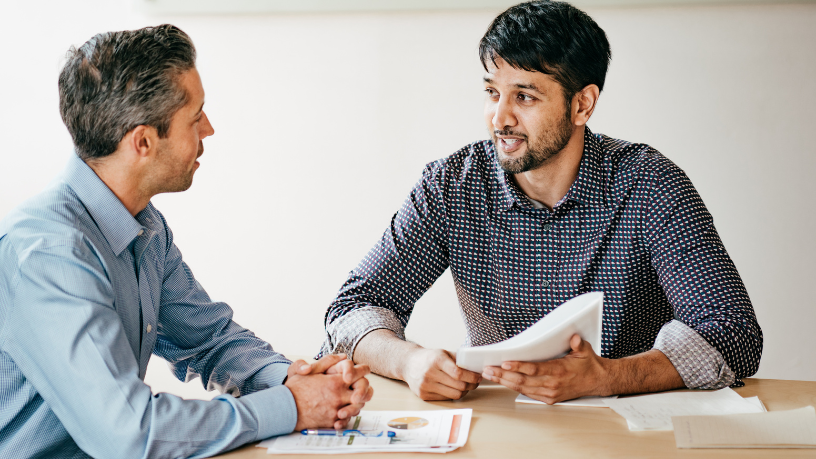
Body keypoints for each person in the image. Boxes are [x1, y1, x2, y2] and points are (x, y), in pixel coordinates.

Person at [320, 0, 762, 403]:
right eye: (492, 92)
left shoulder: (649, 182)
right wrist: (408, 361)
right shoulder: (452, 185)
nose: (500, 118)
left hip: (628, 425)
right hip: (502, 422)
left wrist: (607, 377)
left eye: (525, 96)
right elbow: (352, 308)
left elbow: (733, 332)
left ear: (582, 105)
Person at [0, 25, 372, 459]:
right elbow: (131, 434)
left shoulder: (143, 225)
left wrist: (297, 380)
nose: (209, 129)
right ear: (143, 141)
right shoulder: (50, 253)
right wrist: (290, 406)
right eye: (195, 118)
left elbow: (208, 340)